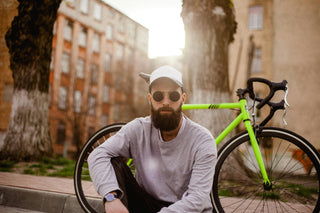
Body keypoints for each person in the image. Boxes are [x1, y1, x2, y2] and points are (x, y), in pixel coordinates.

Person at [88, 65, 217, 213]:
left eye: (173, 96)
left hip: (187, 209)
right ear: (150, 99)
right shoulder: (138, 129)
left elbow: (197, 199)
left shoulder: (203, 140)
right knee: (113, 160)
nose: (166, 102)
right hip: (147, 204)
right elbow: (97, 155)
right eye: (158, 96)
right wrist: (111, 198)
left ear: (183, 99)